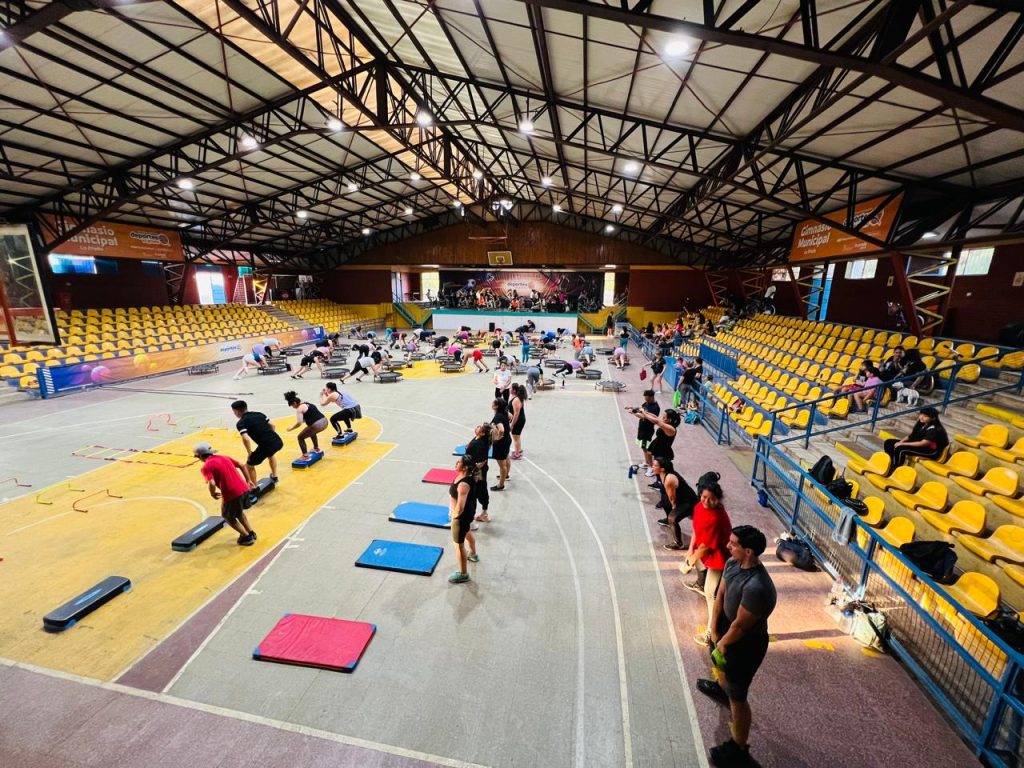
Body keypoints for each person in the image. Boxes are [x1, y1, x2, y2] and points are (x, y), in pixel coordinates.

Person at [696, 525, 777, 768]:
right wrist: (713, 627)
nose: (728, 546)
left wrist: (722, 643)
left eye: (733, 544)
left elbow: (741, 626)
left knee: (738, 697)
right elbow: (720, 595)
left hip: (745, 643)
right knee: (720, 666)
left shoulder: (757, 587)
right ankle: (723, 688)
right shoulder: (733, 563)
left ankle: (738, 749)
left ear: (749, 551)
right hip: (725, 627)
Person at [684, 481, 733, 647]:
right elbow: (696, 530)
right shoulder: (699, 507)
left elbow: (707, 547)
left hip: (718, 559)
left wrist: (692, 559)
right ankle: (701, 583)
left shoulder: (716, 518)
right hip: (704, 553)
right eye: (704, 496)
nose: (706, 501)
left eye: (711, 499)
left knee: (711, 594)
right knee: (705, 580)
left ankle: (711, 632)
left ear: (718, 499)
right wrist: (690, 550)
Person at [194, 442, 257, 545]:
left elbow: (212, 483)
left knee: (228, 517)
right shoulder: (224, 457)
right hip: (243, 488)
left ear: (200, 456)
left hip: (231, 493)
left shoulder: (206, 467)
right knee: (239, 512)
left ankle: (246, 537)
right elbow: (241, 465)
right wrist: (248, 480)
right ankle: (251, 532)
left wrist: (213, 493)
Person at [653, 455, 699, 551]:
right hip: (681, 498)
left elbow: (672, 498)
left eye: (655, 465)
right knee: (665, 502)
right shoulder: (662, 473)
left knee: (672, 518)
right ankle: (669, 520)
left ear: (662, 469)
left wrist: (674, 509)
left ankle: (678, 543)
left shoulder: (669, 479)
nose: (652, 467)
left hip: (688, 502)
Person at [231, 400, 283, 485]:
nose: (234, 413)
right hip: (278, 441)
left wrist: (249, 453)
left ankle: (254, 487)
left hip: (266, 446)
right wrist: (270, 436)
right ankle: (274, 476)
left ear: (237, 411)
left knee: (249, 465)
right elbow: (272, 425)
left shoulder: (241, 423)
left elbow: (246, 439)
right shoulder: (259, 414)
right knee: (271, 454)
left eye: (234, 412)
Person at [446, 455, 479, 584]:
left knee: (458, 546)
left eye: (459, 462)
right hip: (466, 516)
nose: (456, 463)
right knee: (467, 531)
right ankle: (473, 554)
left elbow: (460, 507)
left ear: (465, 467)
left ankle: (464, 574)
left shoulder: (463, 484)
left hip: (460, 518)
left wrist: (454, 517)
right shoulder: (465, 477)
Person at [883, 406, 949, 469]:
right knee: (889, 442)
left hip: (931, 451)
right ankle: (890, 463)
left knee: (901, 449)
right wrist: (901, 441)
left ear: (933, 418)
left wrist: (902, 444)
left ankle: (896, 468)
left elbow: (923, 443)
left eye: (925, 416)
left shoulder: (934, 429)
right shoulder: (922, 423)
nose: (921, 417)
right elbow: (911, 436)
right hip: (921, 447)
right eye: (921, 414)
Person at [636, 407, 681, 476]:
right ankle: (651, 468)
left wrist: (643, 413)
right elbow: (656, 417)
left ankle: (659, 475)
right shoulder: (666, 421)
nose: (662, 418)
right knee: (649, 453)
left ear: (669, 419)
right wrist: (646, 412)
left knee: (660, 465)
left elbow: (656, 421)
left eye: (664, 417)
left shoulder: (670, 428)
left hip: (663, 448)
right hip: (657, 442)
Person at [284, 390, 328, 458]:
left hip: (317, 425)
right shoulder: (306, 403)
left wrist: (291, 428)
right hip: (325, 422)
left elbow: (299, 423)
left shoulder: (299, 409)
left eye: (292, 405)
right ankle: (316, 448)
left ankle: (305, 456)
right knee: (312, 432)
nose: (293, 407)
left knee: (300, 437)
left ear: (295, 403)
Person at [465, 423, 493, 522]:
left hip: (477, 473)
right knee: (479, 491)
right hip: (477, 471)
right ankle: (483, 513)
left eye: (479, 428)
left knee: (475, 493)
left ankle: (474, 519)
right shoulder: (480, 439)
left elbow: (480, 462)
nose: (477, 427)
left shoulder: (479, 444)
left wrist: (470, 466)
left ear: (483, 433)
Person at [629, 389, 661, 469]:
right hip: (642, 428)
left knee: (646, 448)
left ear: (652, 397)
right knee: (643, 447)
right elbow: (641, 408)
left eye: (647, 399)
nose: (646, 400)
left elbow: (643, 416)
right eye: (645, 398)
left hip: (647, 430)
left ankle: (650, 466)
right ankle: (647, 462)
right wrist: (633, 408)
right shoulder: (647, 403)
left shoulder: (654, 408)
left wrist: (633, 413)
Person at [489, 398, 512, 491]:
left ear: (496, 406)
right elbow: (511, 416)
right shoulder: (505, 412)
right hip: (507, 439)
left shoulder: (498, 417)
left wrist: (498, 438)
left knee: (502, 465)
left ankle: (501, 485)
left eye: (493, 403)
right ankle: (506, 475)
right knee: (506, 458)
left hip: (501, 443)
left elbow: (501, 429)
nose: (491, 404)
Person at [508, 383, 527, 459]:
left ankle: (517, 454)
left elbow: (516, 414)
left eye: (511, 388)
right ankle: (518, 450)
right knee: (517, 436)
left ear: (514, 390)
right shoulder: (518, 397)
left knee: (515, 437)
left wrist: (512, 424)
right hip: (520, 419)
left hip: (518, 420)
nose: (509, 389)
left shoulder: (516, 400)